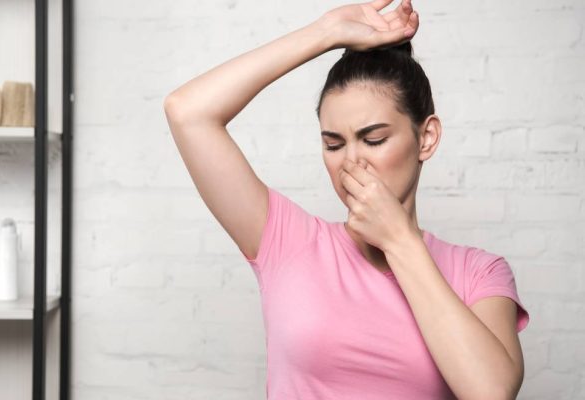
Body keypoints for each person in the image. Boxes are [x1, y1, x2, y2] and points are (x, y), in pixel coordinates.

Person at [163, 0, 530, 398]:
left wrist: (398, 239)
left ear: (426, 138)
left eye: (374, 139)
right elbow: (188, 112)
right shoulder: (288, 242)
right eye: (334, 145)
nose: (352, 161)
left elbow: (492, 392)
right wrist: (325, 33)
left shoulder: (478, 273)